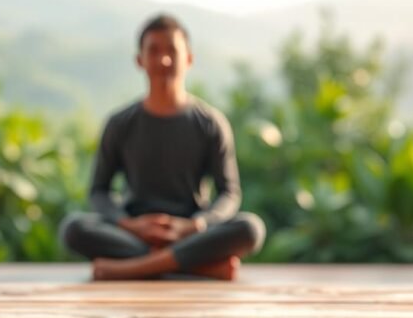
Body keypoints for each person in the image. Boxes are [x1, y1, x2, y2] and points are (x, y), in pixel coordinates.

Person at [59, 14, 265, 280]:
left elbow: (229, 193)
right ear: (139, 60)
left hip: (190, 228)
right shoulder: (120, 123)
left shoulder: (210, 123)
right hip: (134, 230)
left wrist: (193, 226)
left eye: (172, 51)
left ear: (189, 59)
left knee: (250, 228)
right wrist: (131, 225)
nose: (163, 59)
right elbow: (99, 191)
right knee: (74, 228)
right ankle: (195, 266)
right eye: (153, 51)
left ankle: (134, 268)